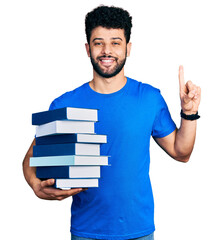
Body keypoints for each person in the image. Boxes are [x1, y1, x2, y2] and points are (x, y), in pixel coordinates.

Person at [22, 5, 201, 240]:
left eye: (116, 42)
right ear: (88, 49)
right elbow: (32, 158)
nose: (107, 50)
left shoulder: (148, 98)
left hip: (139, 231)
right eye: (98, 43)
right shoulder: (64, 104)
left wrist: (189, 113)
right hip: (87, 231)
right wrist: (35, 184)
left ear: (128, 48)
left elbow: (181, 152)